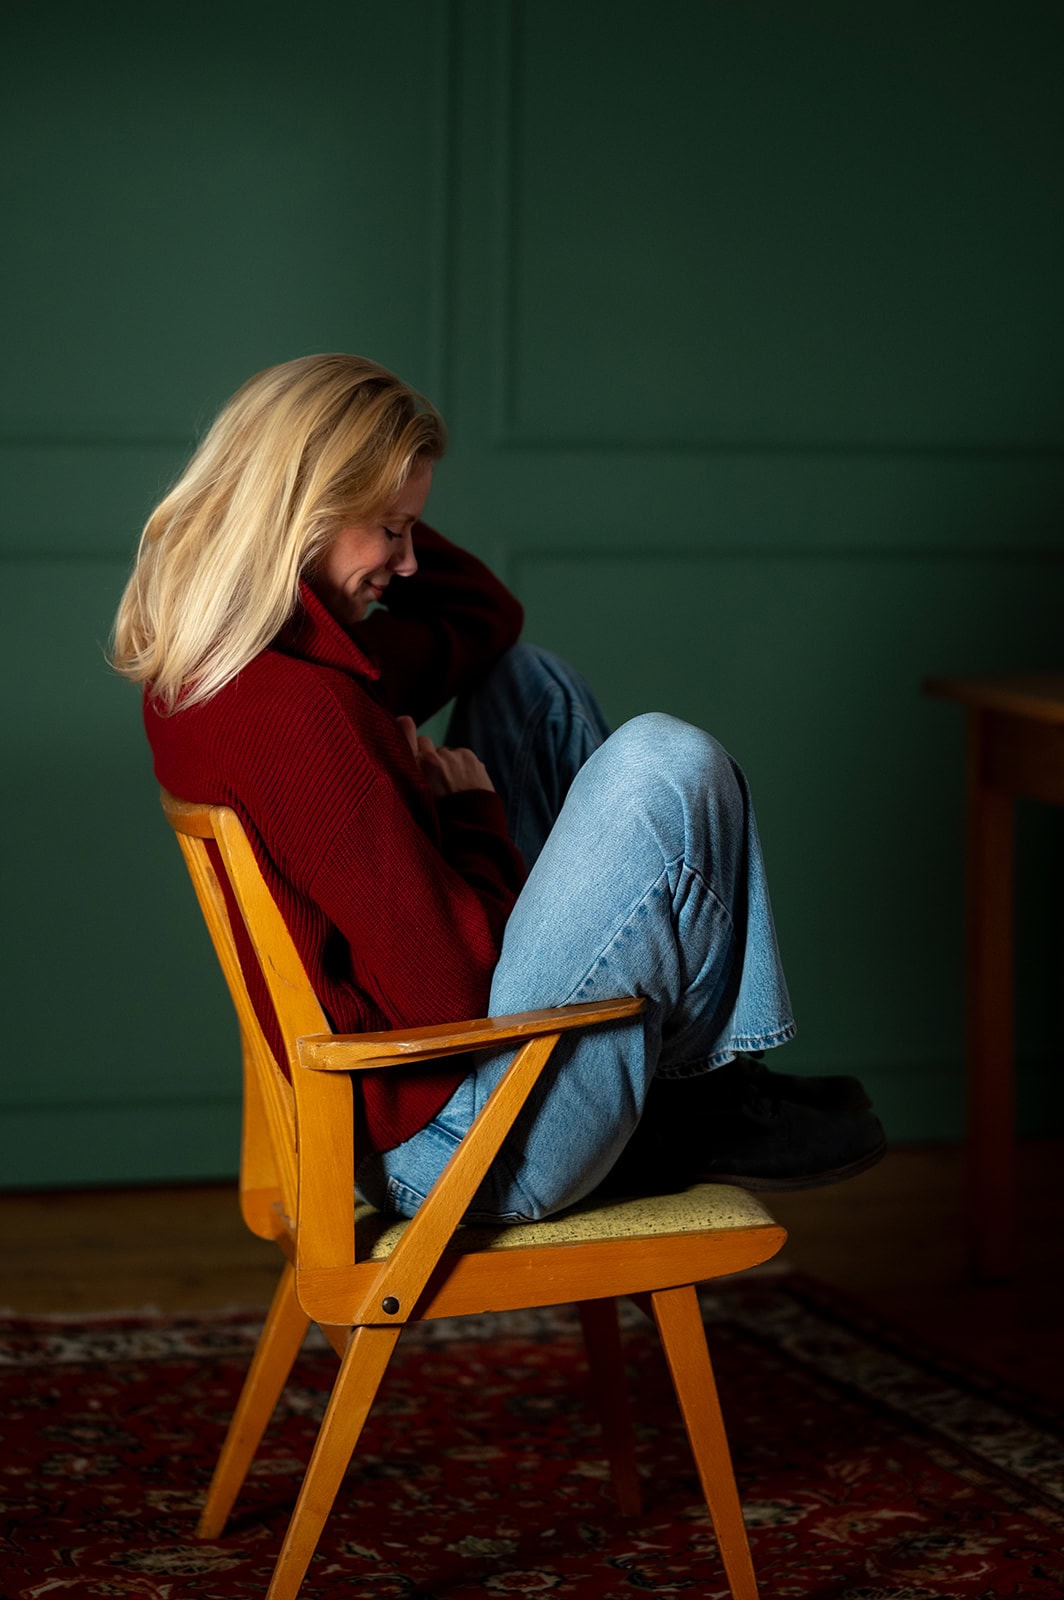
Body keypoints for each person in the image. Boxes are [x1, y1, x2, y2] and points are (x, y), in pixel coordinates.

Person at [111, 353, 884, 1223]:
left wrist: (365, 504)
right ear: (305, 515)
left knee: (530, 683)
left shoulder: (245, 662)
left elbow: (484, 621)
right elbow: (455, 986)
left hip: (426, 1105)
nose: (407, 564)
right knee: (662, 765)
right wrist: (470, 814)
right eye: (391, 530)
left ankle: (690, 1094)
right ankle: (699, 1087)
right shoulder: (295, 711)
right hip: (464, 1148)